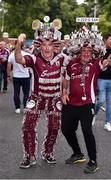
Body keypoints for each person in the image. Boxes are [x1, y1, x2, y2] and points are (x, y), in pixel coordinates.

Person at [15, 22, 69, 168]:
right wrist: (18, 45)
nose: (46, 48)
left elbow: (74, 69)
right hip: (37, 97)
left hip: (54, 98)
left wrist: (64, 91)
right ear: (40, 45)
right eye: (44, 44)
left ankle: (48, 152)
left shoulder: (62, 58)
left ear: (54, 46)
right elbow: (19, 59)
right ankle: (28, 155)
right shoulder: (34, 58)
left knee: (54, 127)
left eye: (50, 44)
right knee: (27, 126)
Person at [61, 36, 111, 173]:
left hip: (87, 104)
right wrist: (64, 92)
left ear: (92, 53)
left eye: (89, 51)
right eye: (84, 50)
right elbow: (66, 79)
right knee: (66, 129)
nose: (86, 53)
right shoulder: (71, 63)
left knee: (87, 131)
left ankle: (93, 161)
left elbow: (108, 63)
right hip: (70, 103)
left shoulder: (96, 63)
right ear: (79, 52)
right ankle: (78, 153)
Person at [94, 34, 111, 131]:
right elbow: (108, 63)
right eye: (110, 39)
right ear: (105, 40)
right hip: (101, 79)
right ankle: (94, 114)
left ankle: (107, 123)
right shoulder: (101, 51)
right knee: (101, 101)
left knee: (109, 103)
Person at [7, 46, 31, 114]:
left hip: (16, 76)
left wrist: (8, 75)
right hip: (25, 76)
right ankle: (25, 107)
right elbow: (30, 65)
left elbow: (9, 66)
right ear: (23, 47)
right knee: (26, 93)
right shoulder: (27, 54)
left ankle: (17, 108)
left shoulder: (12, 55)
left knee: (16, 92)